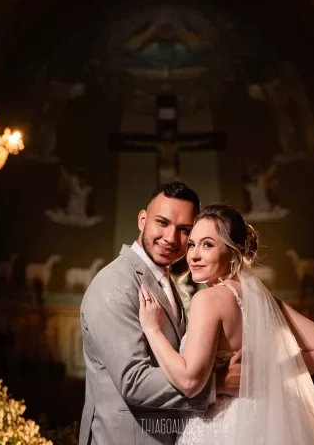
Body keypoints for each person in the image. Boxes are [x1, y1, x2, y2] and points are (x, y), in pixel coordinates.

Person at [139, 204, 314, 444]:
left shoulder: (207, 299)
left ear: (232, 251)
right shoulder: (261, 298)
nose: (193, 255)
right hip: (264, 424)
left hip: (219, 428)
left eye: (208, 245)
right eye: (192, 244)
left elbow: (190, 382)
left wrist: (152, 331)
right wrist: (264, 377)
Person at [79, 183, 241, 445]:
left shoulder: (167, 282)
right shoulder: (114, 284)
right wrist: (216, 384)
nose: (170, 237)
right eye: (162, 223)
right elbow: (134, 381)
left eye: (183, 230)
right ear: (142, 220)